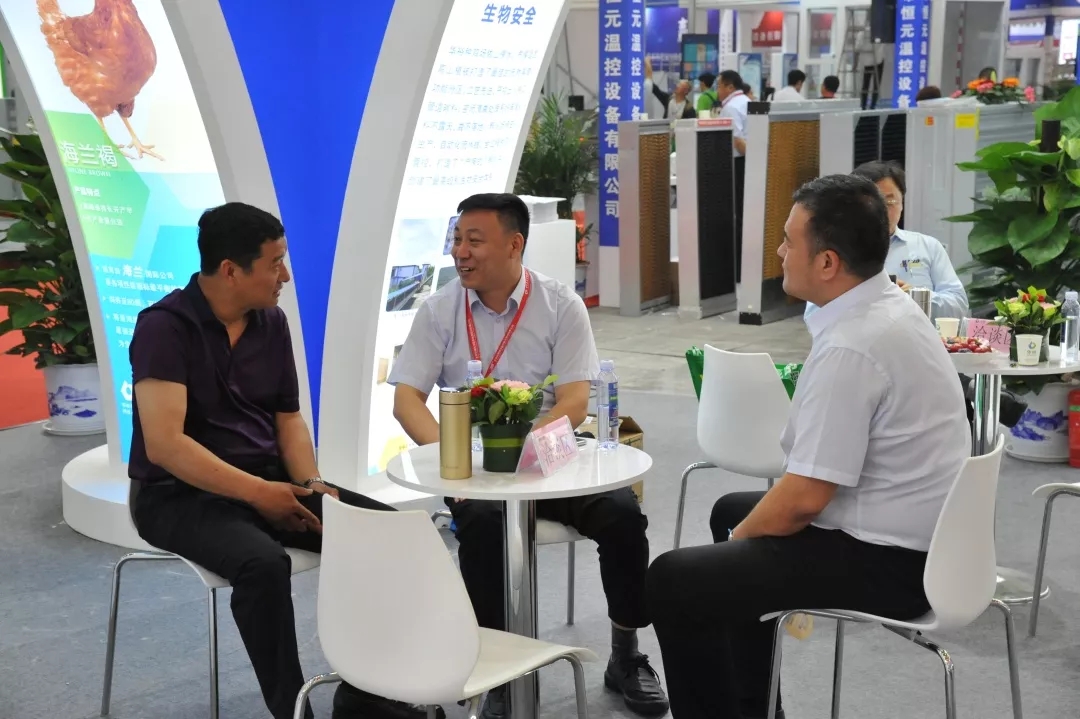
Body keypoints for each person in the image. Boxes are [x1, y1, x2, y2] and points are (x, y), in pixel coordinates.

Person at [646, 174, 971, 719]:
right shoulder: (888, 308)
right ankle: (754, 708)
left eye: (787, 240)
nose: (779, 252)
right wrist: (739, 539)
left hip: (891, 562)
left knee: (675, 579)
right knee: (730, 512)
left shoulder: (853, 344)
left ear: (827, 262)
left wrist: (739, 544)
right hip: (930, 541)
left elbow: (803, 499)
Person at [127, 202, 434, 719]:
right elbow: (166, 445)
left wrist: (311, 481)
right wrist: (258, 494)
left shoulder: (270, 322)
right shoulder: (164, 327)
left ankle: (367, 696)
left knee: (391, 535)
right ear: (231, 270)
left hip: (269, 483)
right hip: (177, 495)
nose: (285, 276)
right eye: (274, 264)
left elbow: (288, 419)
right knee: (262, 564)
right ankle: (293, 711)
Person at [388, 193, 668, 719]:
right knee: (480, 522)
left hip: (550, 460)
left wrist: (527, 455)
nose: (460, 252)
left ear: (514, 245)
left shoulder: (560, 305)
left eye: (474, 240)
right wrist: (453, 462)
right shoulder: (440, 309)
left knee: (622, 515)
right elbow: (407, 401)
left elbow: (574, 401)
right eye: (457, 240)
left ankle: (626, 653)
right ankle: (496, 669)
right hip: (475, 471)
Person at [804, 160, 968, 321]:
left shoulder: (927, 247)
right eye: (871, 204)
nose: (882, 212)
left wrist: (915, 297)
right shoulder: (835, 251)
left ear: (902, 203)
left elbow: (959, 306)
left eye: (890, 202)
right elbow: (813, 315)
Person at [645, 57, 697, 123]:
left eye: (680, 86)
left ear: (686, 91)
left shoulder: (689, 108)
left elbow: (692, 125)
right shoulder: (668, 99)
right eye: (678, 84)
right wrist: (648, 64)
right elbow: (654, 88)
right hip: (665, 129)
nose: (677, 86)